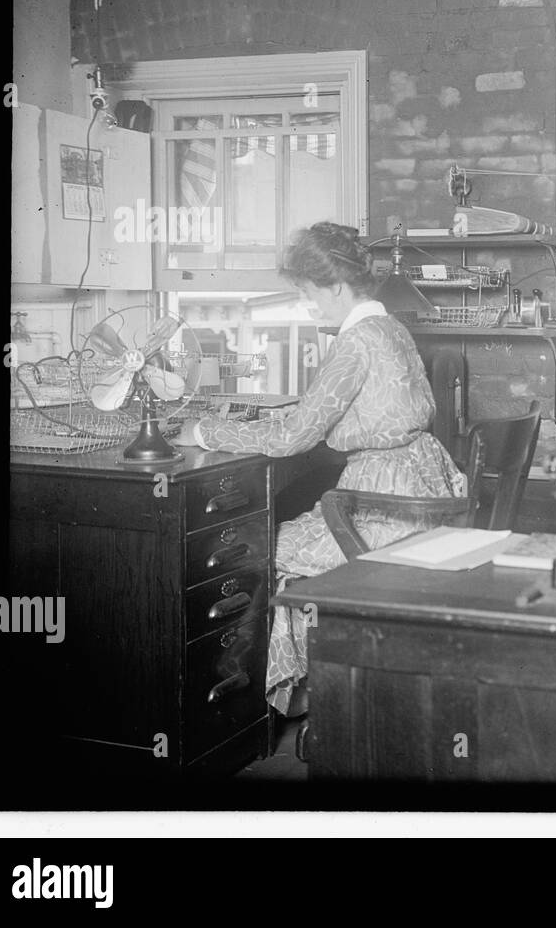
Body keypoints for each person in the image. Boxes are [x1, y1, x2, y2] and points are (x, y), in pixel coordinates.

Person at [172, 222, 466, 716]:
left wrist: (203, 432)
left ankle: (275, 700)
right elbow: (329, 410)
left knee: (267, 548)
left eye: (309, 292)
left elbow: (292, 439)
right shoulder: (389, 328)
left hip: (383, 508)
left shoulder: (354, 342)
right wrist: (275, 418)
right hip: (419, 494)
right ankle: (313, 688)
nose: (308, 304)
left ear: (337, 286)